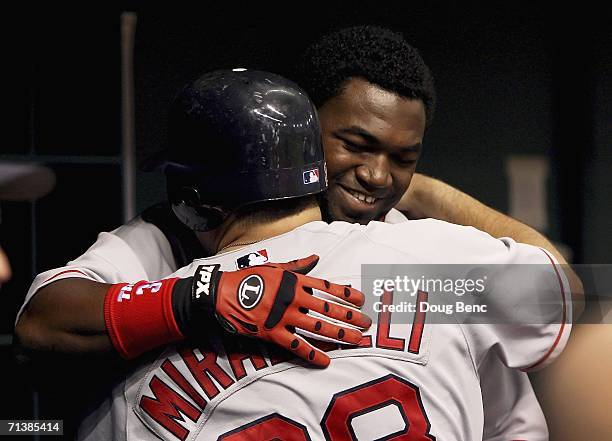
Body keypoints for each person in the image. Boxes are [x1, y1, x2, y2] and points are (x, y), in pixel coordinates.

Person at [15, 25, 581, 438]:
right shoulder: (170, 241)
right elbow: (42, 323)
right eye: (356, 146)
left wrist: (425, 191)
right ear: (305, 134)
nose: (378, 176)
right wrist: (200, 297)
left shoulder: (421, 256)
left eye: (403, 158)